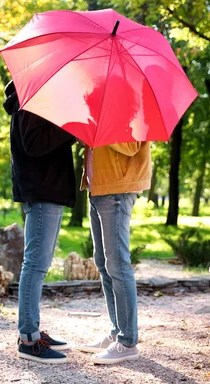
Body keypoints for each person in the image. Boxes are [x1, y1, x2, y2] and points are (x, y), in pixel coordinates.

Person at [3, 80, 76, 364]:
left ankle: (31, 331)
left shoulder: (35, 97)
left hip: (48, 191)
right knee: (35, 265)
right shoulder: (30, 98)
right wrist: (70, 128)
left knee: (38, 264)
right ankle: (28, 339)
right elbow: (35, 144)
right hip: (43, 191)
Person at [79, 142, 151, 364]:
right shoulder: (103, 111)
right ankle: (117, 331)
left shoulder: (130, 107)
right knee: (102, 263)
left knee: (118, 265)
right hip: (98, 187)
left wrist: (99, 135)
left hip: (117, 189)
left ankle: (128, 341)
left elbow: (131, 146)